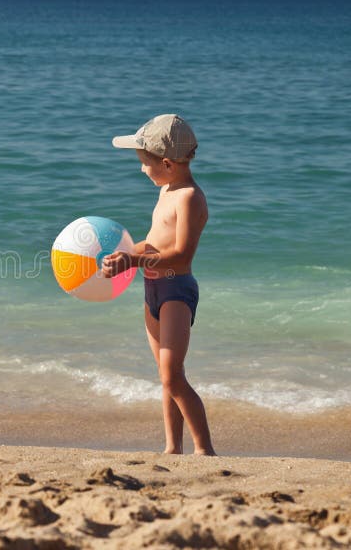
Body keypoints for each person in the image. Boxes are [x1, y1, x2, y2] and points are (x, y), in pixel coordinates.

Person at [102, 114, 215, 456]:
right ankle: (172, 447)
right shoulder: (167, 189)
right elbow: (153, 242)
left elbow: (181, 255)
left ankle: (205, 450)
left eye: (144, 164)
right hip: (152, 290)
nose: (142, 170)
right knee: (166, 376)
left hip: (176, 290)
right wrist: (123, 254)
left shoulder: (190, 198)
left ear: (166, 163)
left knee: (172, 376)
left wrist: (133, 262)